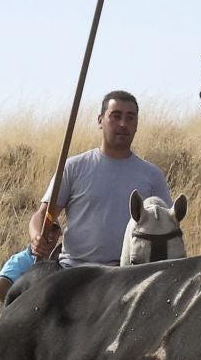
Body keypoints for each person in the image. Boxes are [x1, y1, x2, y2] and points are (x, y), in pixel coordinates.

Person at [31, 91, 173, 268]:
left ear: (136, 124)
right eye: (115, 116)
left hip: (128, 275)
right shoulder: (74, 167)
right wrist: (37, 237)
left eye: (130, 118)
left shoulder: (152, 175)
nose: (123, 124)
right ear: (100, 121)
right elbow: (44, 214)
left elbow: (168, 226)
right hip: (73, 271)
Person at [0, 217, 63, 302]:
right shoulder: (21, 259)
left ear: (59, 233)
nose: (51, 234)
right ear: (36, 232)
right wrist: (18, 309)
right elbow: (0, 286)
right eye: (46, 229)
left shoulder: (60, 259)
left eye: (54, 230)